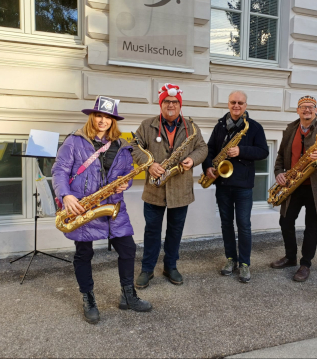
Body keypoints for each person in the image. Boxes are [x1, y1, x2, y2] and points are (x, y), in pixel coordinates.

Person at [52, 96, 152, 325]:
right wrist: (65, 195)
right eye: (99, 115)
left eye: (108, 117)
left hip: (113, 206)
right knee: (84, 253)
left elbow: (126, 172)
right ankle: (88, 298)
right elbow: (59, 171)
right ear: (92, 116)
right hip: (82, 206)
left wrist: (125, 184)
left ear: (113, 121)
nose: (102, 120)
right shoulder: (74, 142)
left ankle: (128, 296)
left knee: (128, 249)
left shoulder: (123, 145)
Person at [131, 84, 208, 288]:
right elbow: (133, 147)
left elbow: (202, 148)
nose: (171, 105)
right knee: (152, 231)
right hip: (155, 189)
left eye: (175, 102)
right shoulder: (147, 125)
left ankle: (170, 266)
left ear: (179, 105)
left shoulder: (191, 127)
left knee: (175, 231)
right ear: (161, 104)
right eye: (167, 101)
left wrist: (192, 159)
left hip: (181, 189)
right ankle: (147, 269)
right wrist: (149, 164)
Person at [270, 96, 317, 282]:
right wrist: (279, 172)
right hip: (293, 185)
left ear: (316, 110)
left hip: (315, 188)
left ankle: (305, 264)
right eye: (303, 107)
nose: (307, 110)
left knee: (312, 227)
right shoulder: (290, 130)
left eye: (311, 107)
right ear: (297, 110)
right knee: (285, 222)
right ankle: (290, 257)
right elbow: (280, 156)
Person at [202, 90, 269, 283]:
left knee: (244, 225)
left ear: (245, 105)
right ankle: (230, 259)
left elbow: (263, 151)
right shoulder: (220, 126)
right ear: (228, 104)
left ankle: (245, 263)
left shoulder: (254, 127)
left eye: (240, 103)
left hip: (243, 185)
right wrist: (207, 167)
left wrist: (241, 150)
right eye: (233, 102)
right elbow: (210, 149)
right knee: (226, 223)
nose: (236, 106)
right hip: (223, 183)